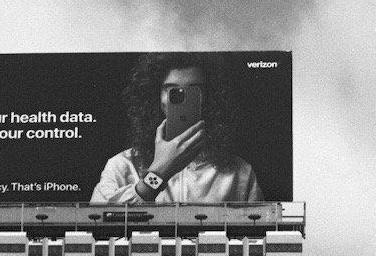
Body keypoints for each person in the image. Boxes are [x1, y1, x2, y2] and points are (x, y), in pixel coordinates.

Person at [90, 53, 263, 203]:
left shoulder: (239, 172)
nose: (182, 100)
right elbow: (95, 227)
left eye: (193, 91)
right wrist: (158, 173)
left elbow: (256, 235)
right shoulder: (122, 166)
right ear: (155, 96)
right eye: (172, 91)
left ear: (210, 98)